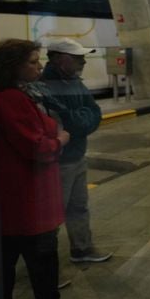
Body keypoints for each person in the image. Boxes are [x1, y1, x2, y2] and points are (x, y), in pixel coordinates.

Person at [0, 39, 90, 299]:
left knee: (5, 263)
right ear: (13, 67)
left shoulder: (10, 95)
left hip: (10, 199)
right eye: (33, 61)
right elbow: (38, 146)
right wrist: (59, 139)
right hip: (30, 198)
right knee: (43, 262)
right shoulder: (12, 98)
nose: (38, 66)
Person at [39, 38, 111, 263]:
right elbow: (74, 122)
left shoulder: (75, 82)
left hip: (77, 155)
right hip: (58, 161)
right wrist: (82, 120)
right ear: (60, 58)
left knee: (78, 206)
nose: (84, 62)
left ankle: (82, 249)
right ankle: (44, 266)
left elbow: (95, 113)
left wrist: (81, 120)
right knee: (51, 216)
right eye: (78, 57)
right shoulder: (47, 86)